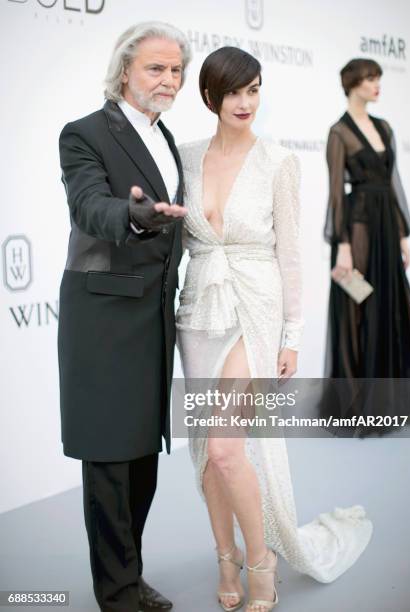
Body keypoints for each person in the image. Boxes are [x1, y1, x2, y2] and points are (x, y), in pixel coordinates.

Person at [176, 46, 373, 612]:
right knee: (206, 453)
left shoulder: (279, 161)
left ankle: (261, 558)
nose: (246, 102)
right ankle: (225, 555)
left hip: (254, 311)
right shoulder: (183, 157)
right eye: (235, 92)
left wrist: (292, 336)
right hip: (198, 311)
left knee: (226, 448)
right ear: (210, 96)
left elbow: (290, 256)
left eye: (255, 89)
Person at [58, 22, 190, 612]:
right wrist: (134, 215)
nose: (168, 79)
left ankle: (129, 576)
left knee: (142, 461)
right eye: (156, 68)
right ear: (125, 71)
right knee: (109, 465)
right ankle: (116, 596)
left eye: (176, 70)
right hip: (106, 320)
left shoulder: (167, 136)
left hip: (153, 320)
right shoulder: (84, 132)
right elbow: (89, 204)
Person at [322, 57, 410, 435]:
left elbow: (394, 185)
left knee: (396, 305)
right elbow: (335, 194)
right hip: (358, 227)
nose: (377, 84)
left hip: (385, 227)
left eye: (378, 78)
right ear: (352, 84)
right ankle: (359, 403)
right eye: (369, 79)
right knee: (358, 305)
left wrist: (401, 236)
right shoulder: (339, 132)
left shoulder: (385, 127)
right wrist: (342, 245)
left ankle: (390, 400)